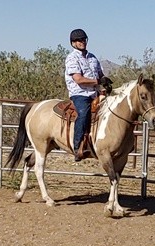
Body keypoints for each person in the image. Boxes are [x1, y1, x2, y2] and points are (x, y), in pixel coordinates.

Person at [64, 28, 112, 162]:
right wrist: (97, 81)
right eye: (79, 40)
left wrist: (105, 82)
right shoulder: (71, 58)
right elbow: (78, 79)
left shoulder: (92, 57)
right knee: (83, 113)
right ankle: (78, 146)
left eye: (84, 39)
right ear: (73, 43)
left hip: (95, 93)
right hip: (80, 94)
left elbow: (100, 75)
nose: (82, 42)